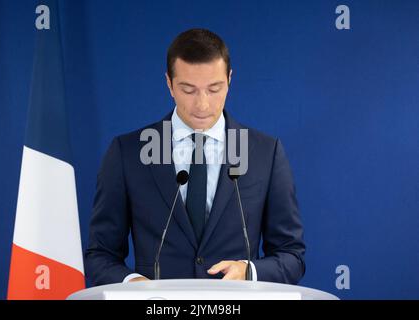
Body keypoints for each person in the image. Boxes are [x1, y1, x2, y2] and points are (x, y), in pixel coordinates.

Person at [85, 28, 305, 285]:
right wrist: (133, 285)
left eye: (214, 89)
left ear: (230, 80)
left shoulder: (265, 153)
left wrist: (249, 272)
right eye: (188, 90)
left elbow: (292, 255)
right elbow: (100, 255)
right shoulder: (128, 152)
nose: (202, 105)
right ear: (169, 83)